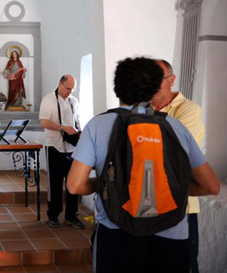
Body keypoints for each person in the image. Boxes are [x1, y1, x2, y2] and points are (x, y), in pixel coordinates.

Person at [67, 57, 220, 273]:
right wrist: (166, 188)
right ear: (153, 88)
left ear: (117, 87)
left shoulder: (98, 125)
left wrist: (104, 183)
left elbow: (74, 186)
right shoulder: (174, 126)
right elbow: (211, 186)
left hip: (116, 231)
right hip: (171, 233)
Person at [151, 59, 205, 273]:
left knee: (182, 265)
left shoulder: (188, 110)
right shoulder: (141, 111)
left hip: (181, 207)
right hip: (146, 206)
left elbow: (173, 154)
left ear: (171, 80)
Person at [39, 74, 84, 229]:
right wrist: (63, 128)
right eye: (67, 88)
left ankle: (72, 215)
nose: (70, 92)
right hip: (54, 146)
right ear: (60, 84)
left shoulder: (74, 101)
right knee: (55, 183)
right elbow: (43, 122)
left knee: (73, 182)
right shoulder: (48, 100)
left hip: (72, 149)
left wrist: (79, 131)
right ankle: (53, 214)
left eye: (72, 89)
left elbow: (77, 121)